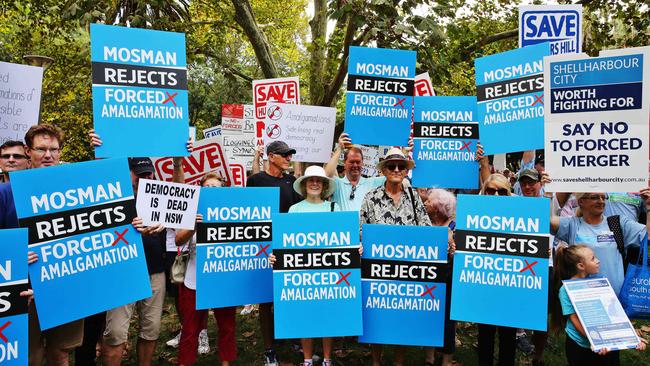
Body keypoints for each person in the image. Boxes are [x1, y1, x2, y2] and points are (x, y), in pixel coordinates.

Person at [0, 125, 86, 366]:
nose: (48, 155)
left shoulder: (75, 192)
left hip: (64, 286)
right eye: (41, 149)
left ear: (60, 153)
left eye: (54, 149)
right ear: (28, 152)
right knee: (28, 358)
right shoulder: (6, 193)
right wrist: (14, 258)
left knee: (61, 353)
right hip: (22, 292)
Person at [359, 147, 431, 366]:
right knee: (377, 313)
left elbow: (426, 227)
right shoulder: (371, 198)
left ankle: (399, 361)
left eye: (401, 166)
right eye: (392, 166)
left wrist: (443, 238)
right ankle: (376, 361)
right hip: (377, 267)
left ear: (405, 170)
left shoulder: (413, 197)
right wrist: (362, 245)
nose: (397, 169)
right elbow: (361, 229)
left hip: (406, 267)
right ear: (385, 170)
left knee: (402, 312)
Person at [102, 158, 167, 366]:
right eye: (140, 174)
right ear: (129, 175)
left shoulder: (162, 199)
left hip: (155, 272)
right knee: (115, 332)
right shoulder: (115, 198)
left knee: (151, 328)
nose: (146, 178)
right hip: (124, 273)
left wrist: (164, 225)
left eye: (149, 174)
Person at [270, 165, 338, 366]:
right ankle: (307, 359)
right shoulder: (294, 210)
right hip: (302, 271)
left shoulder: (333, 208)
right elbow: (285, 242)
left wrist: (355, 249)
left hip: (328, 271)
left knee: (327, 315)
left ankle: (327, 359)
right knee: (304, 314)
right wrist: (276, 258)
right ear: (305, 184)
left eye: (319, 180)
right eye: (311, 180)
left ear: (324, 185)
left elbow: (343, 240)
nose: (315, 183)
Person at [246, 140, 302, 366]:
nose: (289, 158)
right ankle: (269, 349)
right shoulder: (256, 181)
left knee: (293, 295)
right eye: (285, 154)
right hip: (264, 247)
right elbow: (246, 209)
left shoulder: (293, 182)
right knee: (266, 300)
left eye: (290, 155)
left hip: (289, 245)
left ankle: (298, 341)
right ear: (271, 156)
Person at [175, 173, 237, 366]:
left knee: (227, 327)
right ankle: (186, 361)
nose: (211, 190)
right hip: (194, 281)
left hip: (222, 281)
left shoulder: (232, 213)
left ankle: (225, 362)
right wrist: (194, 226)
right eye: (207, 186)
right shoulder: (192, 212)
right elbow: (178, 240)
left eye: (216, 187)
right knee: (190, 328)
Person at [551, 245, 646, 365]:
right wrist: (596, 341)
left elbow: (613, 312)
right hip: (580, 346)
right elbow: (574, 320)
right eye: (593, 258)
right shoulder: (565, 290)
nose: (598, 260)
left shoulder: (599, 283)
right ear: (581, 266)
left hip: (607, 343)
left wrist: (631, 337)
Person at [550, 190, 650, 296]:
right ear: (581, 202)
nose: (601, 201)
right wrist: (548, 195)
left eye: (603, 197)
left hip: (615, 300)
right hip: (583, 298)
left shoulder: (618, 223)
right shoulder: (572, 225)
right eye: (595, 197)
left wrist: (649, 207)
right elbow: (547, 220)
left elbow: (647, 235)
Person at [476, 173, 517, 366]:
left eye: (502, 191)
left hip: (511, 284)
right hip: (483, 283)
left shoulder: (520, 216)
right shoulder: (474, 215)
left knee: (508, 334)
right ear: (484, 192)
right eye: (491, 190)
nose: (496, 195)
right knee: (485, 333)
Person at [423, 189, 456, 366]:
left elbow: (459, 256)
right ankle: (429, 356)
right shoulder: (423, 224)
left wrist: (452, 247)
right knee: (429, 314)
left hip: (448, 279)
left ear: (438, 207)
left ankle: (447, 358)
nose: (425, 203)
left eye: (428, 201)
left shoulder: (455, 227)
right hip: (429, 278)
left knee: (448, 320)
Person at [324, 132, 385, 211]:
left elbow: (396, 178)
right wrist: (340, 148)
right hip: (343, 223)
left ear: (362, 163)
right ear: (344, 163)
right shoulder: (337, 184)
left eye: (358, 162)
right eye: (352, 162)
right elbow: (327, 175)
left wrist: (406, 150)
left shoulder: (372, 182)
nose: (355, 165)